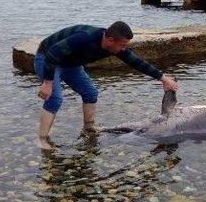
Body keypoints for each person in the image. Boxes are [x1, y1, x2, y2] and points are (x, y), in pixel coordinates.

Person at [34, 21, 178, 145]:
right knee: (55, 98)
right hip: (47, 58)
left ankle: (88, 128)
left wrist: (162, 78)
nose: (123, 49)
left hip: (71, 63)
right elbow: (53, 53)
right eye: (122, 45)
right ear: (110, 40)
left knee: (91, 93)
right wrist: (48, 82)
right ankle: (42, 139)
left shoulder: (114, 46)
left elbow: (136, 62)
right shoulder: (85, 38)